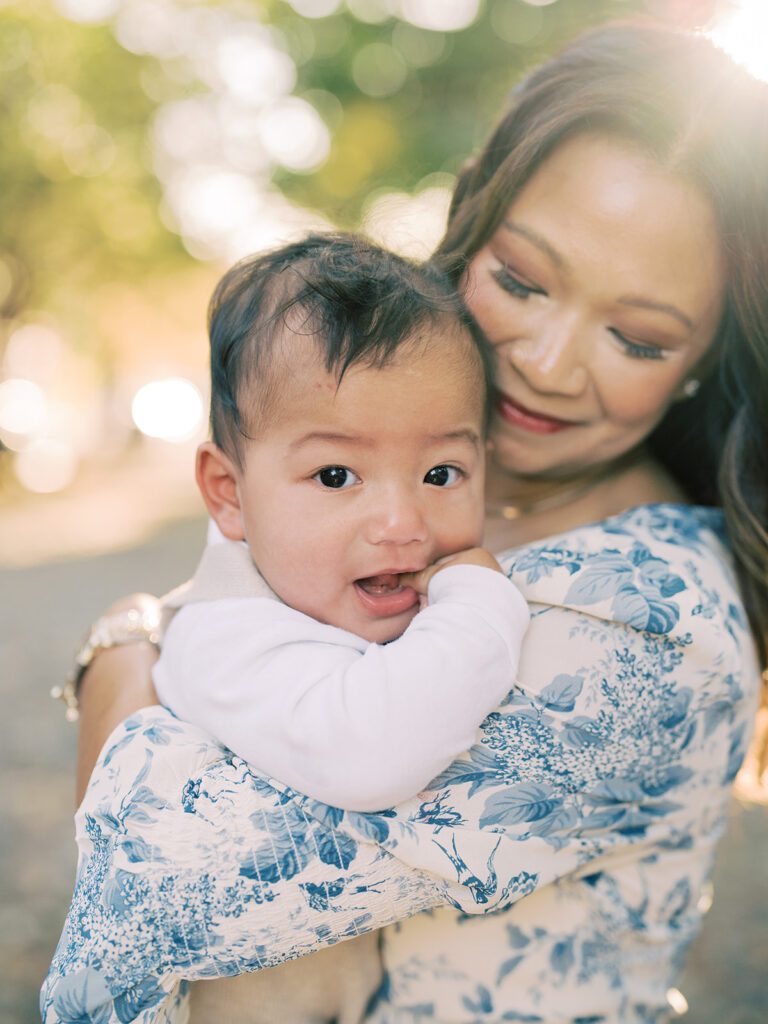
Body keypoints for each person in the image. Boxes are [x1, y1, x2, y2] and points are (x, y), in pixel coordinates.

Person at [42, 19, 768, 1024]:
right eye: (520, 281)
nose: (547, 364)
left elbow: (166, 879)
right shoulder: (416, 491)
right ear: (469, 232)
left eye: (636, 337)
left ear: (700, 364)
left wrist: (120, 658)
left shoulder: (651, 623)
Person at [155, 234, 529, 1022]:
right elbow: (373, 750)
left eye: (440, 474)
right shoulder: (225, 637)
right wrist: (482, 604)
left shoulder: (307, 588)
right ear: (229, 493)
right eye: (335, 476)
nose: (401, 523)